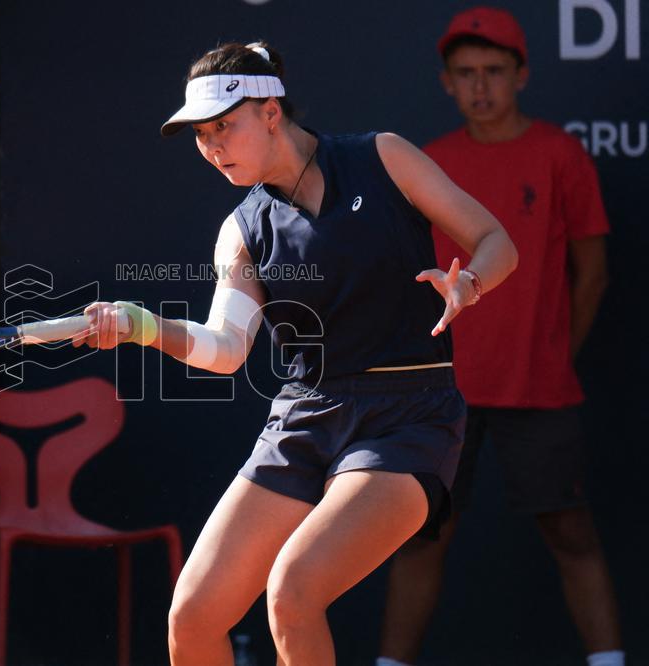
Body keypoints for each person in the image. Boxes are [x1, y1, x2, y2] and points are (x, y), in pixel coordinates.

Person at [73, 40, 517, 665]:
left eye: (223, 126)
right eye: (200, 135)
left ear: (271, 110)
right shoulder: (241, 229)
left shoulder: (382, 156)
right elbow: (227, 349)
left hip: (410, 415)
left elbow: (496, 240)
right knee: (193, 616)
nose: (213, 147)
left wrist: (469, 283)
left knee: (293, 592)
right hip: (305, 418)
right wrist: (143, 325)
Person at [377, 8, 623, 666]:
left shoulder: (559, 154)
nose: (480, 86)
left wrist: (549, 358)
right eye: (466, 74)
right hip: (443, 395)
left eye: (493, 72)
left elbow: (592, 275)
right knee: (422, 537)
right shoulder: (431, 163)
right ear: (446, 83)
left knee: (572, 534)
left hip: (541, 392)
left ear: (522, 76)